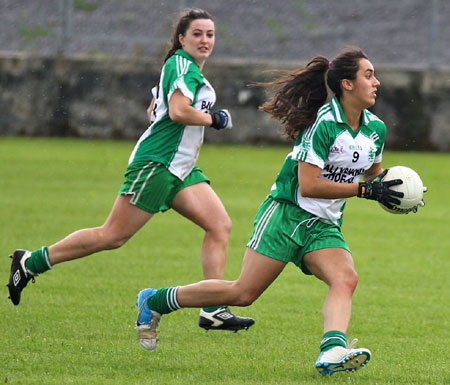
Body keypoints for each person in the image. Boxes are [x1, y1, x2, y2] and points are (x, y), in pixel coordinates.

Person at [133, 46, 426, 374]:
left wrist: (404, 190)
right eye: (368, 75)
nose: (377, 82)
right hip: (286, 214)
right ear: (347, 84)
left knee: (345, 278)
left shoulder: (376, 129)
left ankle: (332, 352)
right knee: (242, 293)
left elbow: (373, 175)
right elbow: (309, 185)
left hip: (323, 225)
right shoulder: (322, 125)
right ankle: (155, 300)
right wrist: (364, 190)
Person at [7, 8, 254, 333]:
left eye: (210, 34)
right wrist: (214, 118)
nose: (205, 40)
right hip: (157, 164)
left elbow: (156, 106)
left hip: (181, 168)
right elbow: (179, 111)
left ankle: (212, 309)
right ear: (182, 38)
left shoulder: (186, 69)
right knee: (113, 236)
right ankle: (30, 262)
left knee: (219, 225)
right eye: (197, 34)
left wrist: (168, 110)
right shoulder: (182, 64)